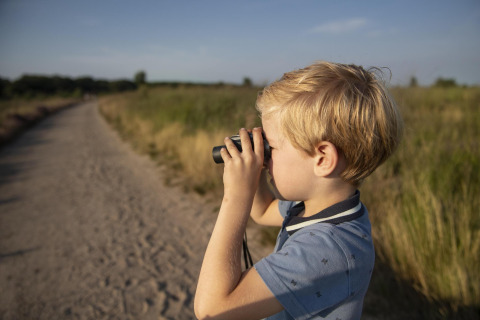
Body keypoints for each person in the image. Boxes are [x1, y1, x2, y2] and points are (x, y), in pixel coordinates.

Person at [194, 61, 403, 320]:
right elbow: (262, 211)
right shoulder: (321, 206)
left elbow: (212, 310)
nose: (265, 156)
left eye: (271, 147)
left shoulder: (327, 249)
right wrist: (255, 171)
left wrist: (235, 198)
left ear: (322, 158)